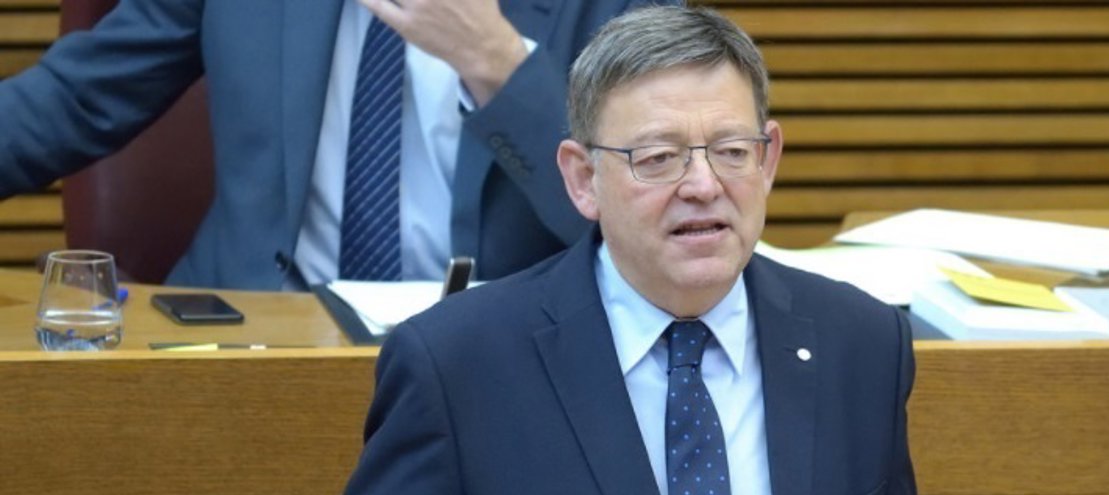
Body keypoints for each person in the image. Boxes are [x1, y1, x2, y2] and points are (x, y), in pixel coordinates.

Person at [299, 6, 1057, 495]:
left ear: (769, 158)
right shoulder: (460, 361)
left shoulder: (856, 342)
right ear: (582, 178)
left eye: (731, 151)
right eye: (658, 158)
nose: (703, 185)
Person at [0, 0, 664, 290]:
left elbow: (651, 210)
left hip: (498, 358)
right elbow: (76, 97)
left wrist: (495, 61)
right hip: (253, 336)